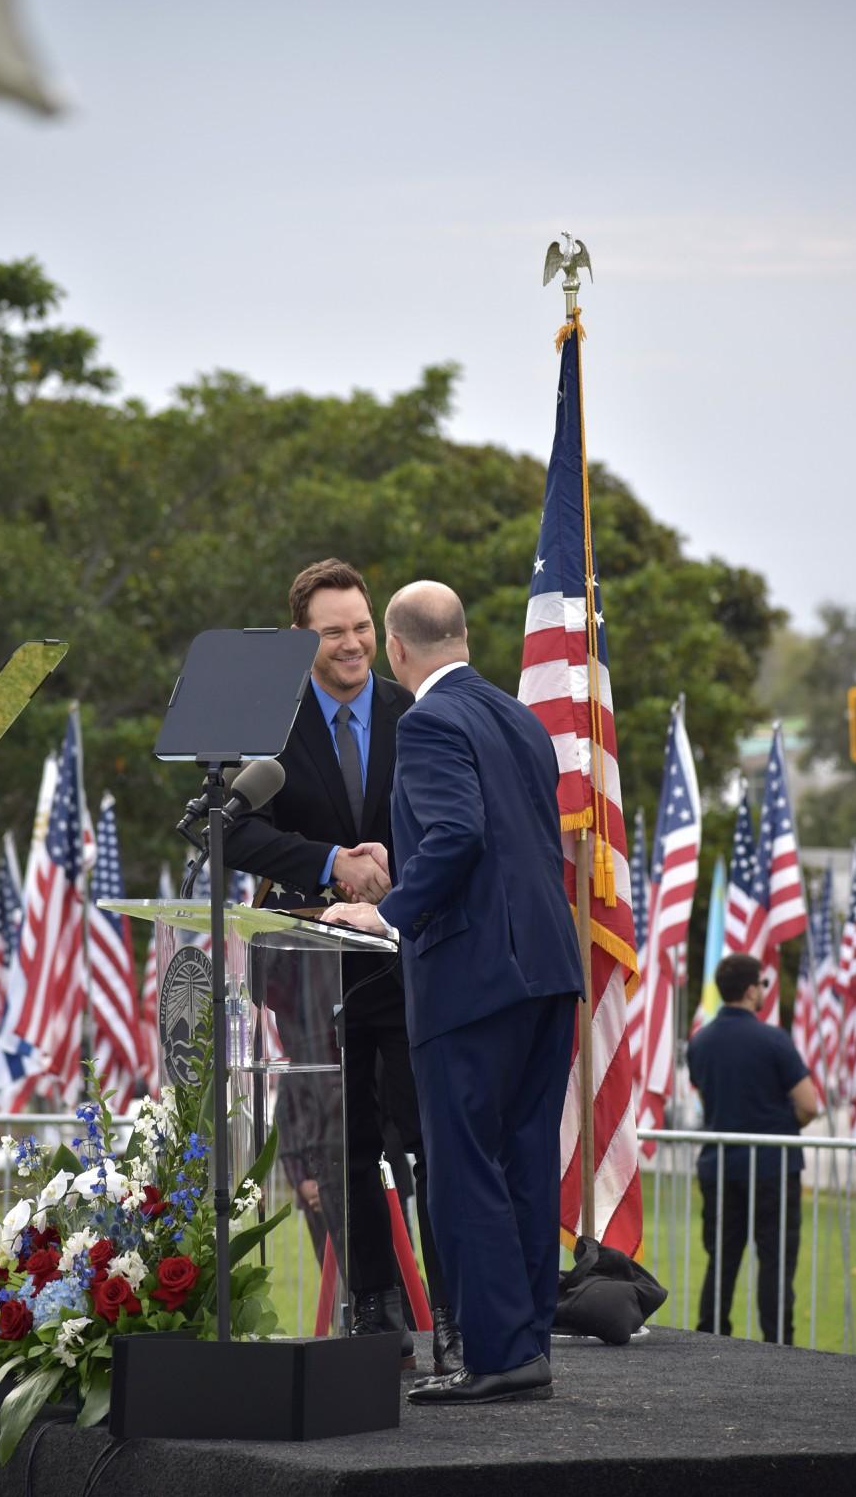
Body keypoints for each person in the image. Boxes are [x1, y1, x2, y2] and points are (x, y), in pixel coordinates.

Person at [322, 580, 584, 1406]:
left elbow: (459, 834)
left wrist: (388, 910)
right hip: (546, 968)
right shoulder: (519, 718)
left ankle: (500, 1352)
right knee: (528, 1161)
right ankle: (525, 1343)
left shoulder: (427, 720)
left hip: (472, 980)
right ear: (466, 636)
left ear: (398, 652)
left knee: (466, 1165)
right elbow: (501, 841)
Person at [222, 558, 461, 1374]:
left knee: (426, 1138)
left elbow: (452, 820)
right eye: (334, 631)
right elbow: (228, 830)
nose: (353, 643)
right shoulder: (271, 723)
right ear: (301, 639)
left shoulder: (413, 711)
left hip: (409, 961)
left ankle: (458, 1315)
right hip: (309, 973)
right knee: (347, 1146)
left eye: (362, 626)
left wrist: (397, 868)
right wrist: (332, 861)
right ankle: (376, 1311)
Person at [687, 952, 819, 1344]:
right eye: (762, 984)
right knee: (776, 1261)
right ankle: (777, 1342)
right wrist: (781, 1124)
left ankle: (711, 1336)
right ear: (749, 990)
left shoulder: (700, 1042)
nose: (765, 990)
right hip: (772, 1168)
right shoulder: (773, 1039)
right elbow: (809, 1104)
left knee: (722, 1259)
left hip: (720, 1165)